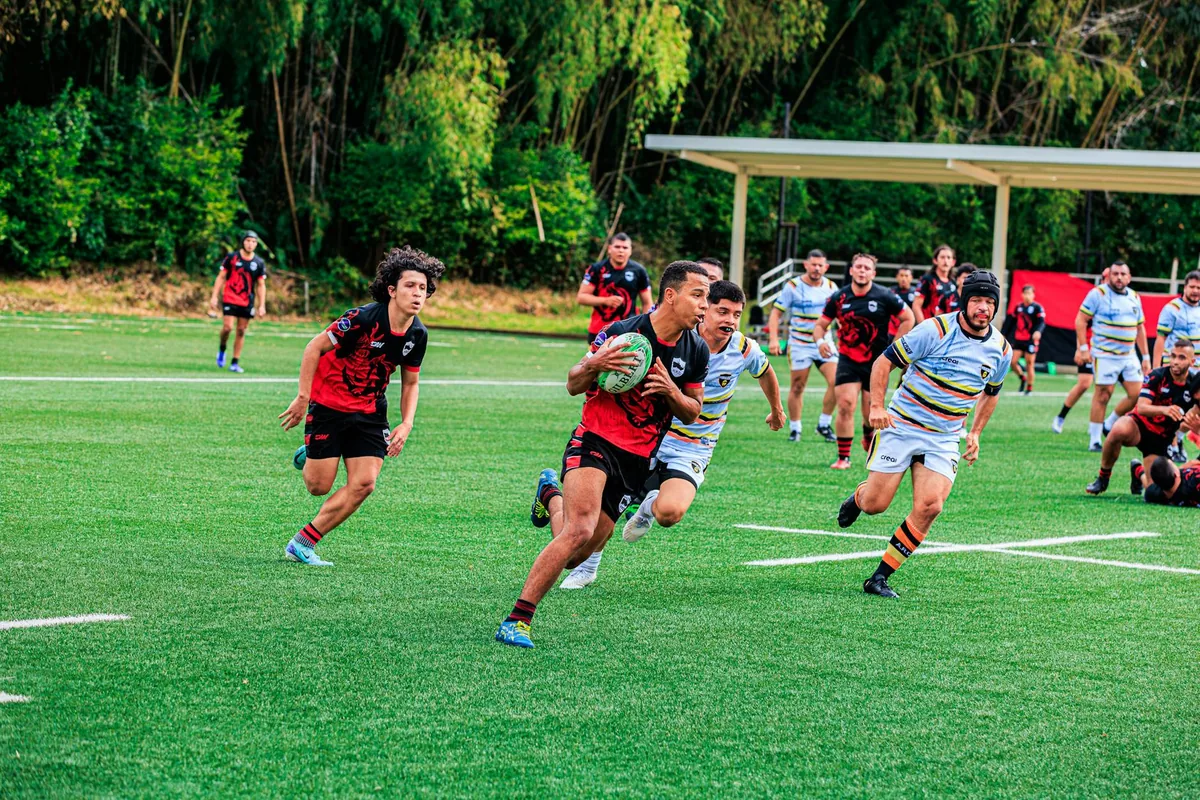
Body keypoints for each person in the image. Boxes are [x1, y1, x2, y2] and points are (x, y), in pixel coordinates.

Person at [497, 262, 712, 649]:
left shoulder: (695, 349)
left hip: (637, 460)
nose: (704, 306)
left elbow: (693, 410)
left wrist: (670, 390)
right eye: (698, 295)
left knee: (577, 555)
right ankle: (518, 619)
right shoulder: (623, 333)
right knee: (579, 528)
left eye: (707, 297)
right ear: (670, 295)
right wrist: (594, 364)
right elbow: (573, 383)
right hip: (595, 440)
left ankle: (550, 494)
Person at [557, 280, 786, 589]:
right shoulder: (678, 338)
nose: (729, 321)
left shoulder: (744, 348)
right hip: (652, 437)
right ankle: (587, 567)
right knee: (601, 514)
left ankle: (650, 505)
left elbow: (767, 371)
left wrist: (777, 408)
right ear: (704, 310)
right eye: (722, 311)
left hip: (694, 445)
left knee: (670, 513)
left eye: (736, 314)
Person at [837, 271, 1011, 598]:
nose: (983, 308)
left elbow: (992, 392)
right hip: (901, 425)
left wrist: (975, 432)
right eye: (976, 300)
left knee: (931, 506)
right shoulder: (935, 330)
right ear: (965, 302)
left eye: (990, 302)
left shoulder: (1001, 349)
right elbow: (883, 363)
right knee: (877, 504)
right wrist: (876, 406)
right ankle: (860, 497)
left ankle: (880, 577)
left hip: (944, 437)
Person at [276, 246, 444, 566]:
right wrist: (302, 397)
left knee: (364, 484)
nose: (418, 293)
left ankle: (303, 542)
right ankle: (309, 453)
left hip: (369, 412)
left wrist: (407, 423)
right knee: (317, 486)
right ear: (392, 290)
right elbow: (314, 347)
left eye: (423, 288)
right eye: (410, 286)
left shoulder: (417, 335)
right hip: (327, 405)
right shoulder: (361, 318)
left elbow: (411, 383)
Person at [811, 254, 914, 468]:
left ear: (873, 273)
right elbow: (820, 325)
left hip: (877, 363)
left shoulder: (885, 295)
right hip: (848, 359)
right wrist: (821, 341)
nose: (862, 271)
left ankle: (868, 434)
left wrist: (895, 349)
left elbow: (908, 318)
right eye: (858, 267)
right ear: (851, 270)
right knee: (846, 404)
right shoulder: (839, 297)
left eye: (867, 268)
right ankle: (843, 458)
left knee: (870, 414)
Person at [1085, 340, 1200, 495]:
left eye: (1181, 358)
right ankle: (1103, 478)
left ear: (1192, 361)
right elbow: (1142, 407)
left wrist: (1193, 427)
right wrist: (1165, 410)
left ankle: (1138, 471)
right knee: (1118, 430)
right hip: (1139, 426)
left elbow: (1194, 411)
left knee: (1157, 491)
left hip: (1161, 440)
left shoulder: (1193, 385)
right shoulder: (1157, 376)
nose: (1175, 362)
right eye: (1172, 356)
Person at [1076, 261, 1150, 451]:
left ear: (1129, 277)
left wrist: (1146, 357)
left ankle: (1110, 423)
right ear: (1109, 275)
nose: (1118, 277)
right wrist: (1083, 347)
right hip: (1105, 354)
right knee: (1103, 394)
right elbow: (1081, 320)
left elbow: (1140, 328)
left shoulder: (1134, 296)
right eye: (1115, 273)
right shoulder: (1098, 294)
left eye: (1123, 274)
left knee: (1138, 394)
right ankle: (1094, 439)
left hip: (1128, 355)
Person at [768, 249, 839, 443]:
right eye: (813, 264)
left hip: (824, 343)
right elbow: (776, 314)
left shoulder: (832, 287)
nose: (816, 268)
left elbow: (840, 317)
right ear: (806, 265)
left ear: (826, 267)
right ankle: (795, 428)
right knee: (798, 386)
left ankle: (824, 424)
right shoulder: (793, 286)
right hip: (800, 344)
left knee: (837, 382)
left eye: (820, 265)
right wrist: (774, 339)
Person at [1151, 270, 1200, 461]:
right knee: (1175, 408)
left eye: (1199, 287)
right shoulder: (1172, 309)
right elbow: (1161, 338)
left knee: (1195, 408)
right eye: (1193, 287)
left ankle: (1177, 439)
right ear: (1184, 287)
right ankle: (1171, 445)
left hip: (1197, 369)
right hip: (1176, 369)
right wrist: (1156, 367)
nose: (1196, 291)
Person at [577, 233, 652, 344]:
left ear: (630, 250)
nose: (621, 250)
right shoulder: (597, 269)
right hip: (600, 331)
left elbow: (647, 302)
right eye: (617, 247)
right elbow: (581, 297)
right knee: (595, 361)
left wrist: (646, 328)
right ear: (609, 249)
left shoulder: (639, 271)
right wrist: (605, 300)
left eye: (625, 247)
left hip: (629, 330)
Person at [209, 230, 267, 373]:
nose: (250, 244)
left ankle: (235, 362)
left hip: (247, 301)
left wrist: (262, 305)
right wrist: (214, 296)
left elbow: (261, 285)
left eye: (254, 242)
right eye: (248, 241)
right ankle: (222, 348)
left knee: (241, 330)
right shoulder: (232, 257)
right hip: (230, 297)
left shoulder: (259, 263)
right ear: (243, 242)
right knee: (228, 327)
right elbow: (221, 277)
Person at [1008, 284, 1046, 395]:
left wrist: (1038, 331)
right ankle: (1022, 378)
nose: (1027, 296)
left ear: (1033, 295)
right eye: (1025, 293)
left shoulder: (1037, 308)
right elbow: (1011, 322)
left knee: (1030, 363)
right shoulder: (1018, 307)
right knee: (1012, 361)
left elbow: (1041, 323)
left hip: (1030, 340)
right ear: (1022, 294)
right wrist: (1005, 334)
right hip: (1019, 339)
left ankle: (1029, 387)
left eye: (1029, 293)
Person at [910, 244, 957, 323]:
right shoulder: (927, 279)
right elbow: (916, 305)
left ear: (953, 262)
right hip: (929, 324)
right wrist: (923, 327)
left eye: (948, 257)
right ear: (935, 260)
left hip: (947, 327)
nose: (945, 261)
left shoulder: (953, 282)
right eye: (942, 257)